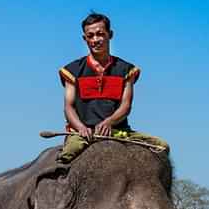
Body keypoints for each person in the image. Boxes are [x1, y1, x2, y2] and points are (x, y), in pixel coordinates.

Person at [57, 12, 168, 163]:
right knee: (66, 157)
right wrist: (81, 128)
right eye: (90, 36)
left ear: (110, 35)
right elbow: (68, 107)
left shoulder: (126, 69)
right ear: (85, 39)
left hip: (118, 131)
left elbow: (126, 106)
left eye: (100, 34)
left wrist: (109, 122)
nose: (95, 40)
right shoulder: (72, 70)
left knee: (162, 147)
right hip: (82, 134)